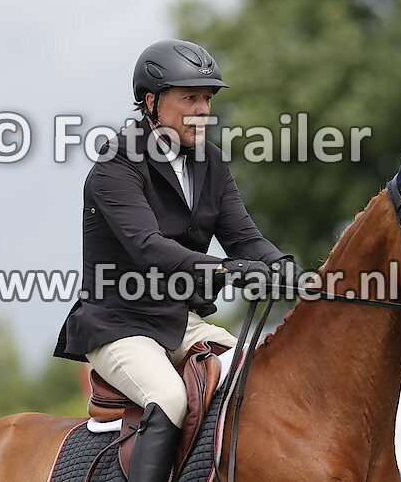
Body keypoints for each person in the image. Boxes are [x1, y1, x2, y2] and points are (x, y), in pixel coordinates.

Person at [54, 39, 304, 481]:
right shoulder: (116, 165)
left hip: (180, 321)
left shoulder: (210, 162)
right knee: (169, 398)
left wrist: (294, 274)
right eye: (190, 97)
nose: (203, 109)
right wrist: (224, 270)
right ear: (151, 102)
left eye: (207, 98)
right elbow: (148, 246)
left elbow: (244, 238)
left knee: (261, 375)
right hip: (119, 325)